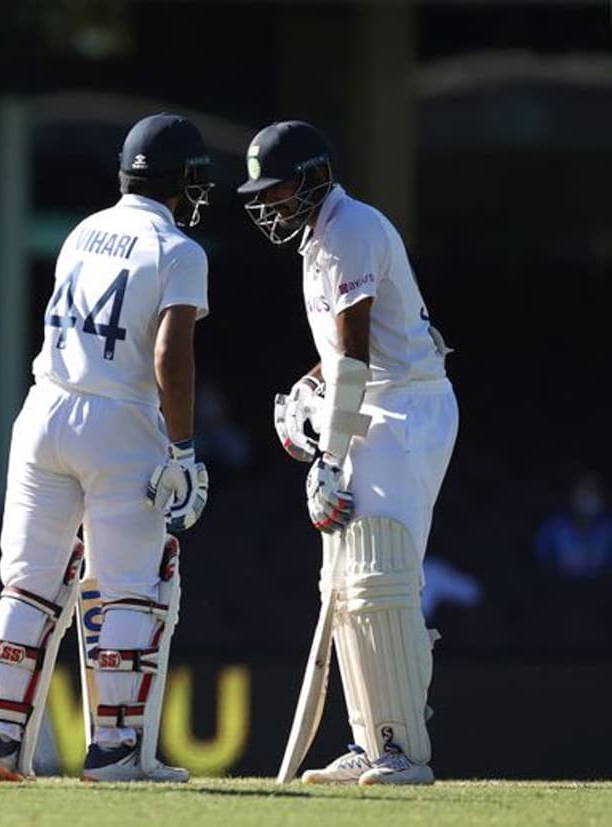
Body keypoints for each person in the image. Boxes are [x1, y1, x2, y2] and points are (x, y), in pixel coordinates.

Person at [0, 113, 212, 783]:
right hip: (119, 418)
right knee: (132, 588)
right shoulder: (179, 249)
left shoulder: (83, 230)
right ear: (180, 179)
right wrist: (185, 449)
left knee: (29, 581)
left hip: (44, 407)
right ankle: (114, 750)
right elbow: (172, 352)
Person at [242, 120, 457, 785]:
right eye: (263, 196)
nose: (271, 207)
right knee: (346, 579)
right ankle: (370, 742)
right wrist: (311, 386)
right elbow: (342, 355)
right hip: (378, 403)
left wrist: (329, 458)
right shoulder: (322, 239)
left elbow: (358, 361)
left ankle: (403, 751)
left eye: (278, 192)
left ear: (313, 178)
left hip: (407, 407)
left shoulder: (352, 227)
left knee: (381, 572)